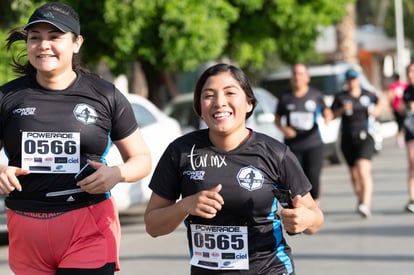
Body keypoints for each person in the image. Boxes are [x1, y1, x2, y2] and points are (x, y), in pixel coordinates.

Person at [0, 2, 152, 274]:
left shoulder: (105, 95)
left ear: (77, 43)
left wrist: (116, 174)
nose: (43, 45)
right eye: (35, 38)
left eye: (54, 37)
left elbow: (141, 159)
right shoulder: (7, 97)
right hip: (25, 225)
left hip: (88, 223)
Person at [144, 63, 324, 275]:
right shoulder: (181, 151)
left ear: (249, 103)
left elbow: (315, 218)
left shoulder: (275, 153)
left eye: (230, 93)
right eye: (209, 95)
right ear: (200, 107)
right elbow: (153, 225)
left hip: (269, 269)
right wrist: (186, 205)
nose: (219, 102)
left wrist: (305, 219)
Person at [275, 63, 333, 202]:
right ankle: (302, 211)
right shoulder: (285, 97)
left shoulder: (315, 95)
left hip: (313, 143)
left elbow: (327, 111)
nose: (297, 77)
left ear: (307, 77)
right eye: (294, 74)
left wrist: (328, 116)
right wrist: (285, 129)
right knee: (295, 181)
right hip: (293, 146)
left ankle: (314, 210)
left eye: (301, 74)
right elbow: (277, 120)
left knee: (313, 178)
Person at [330, 68, 382, 218]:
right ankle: (361, 199)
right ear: (346, 81)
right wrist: (342, 110)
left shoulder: (367, 94)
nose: (352, 82)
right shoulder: (341, 97)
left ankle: (366, 204)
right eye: (349, 80)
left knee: (363, 170)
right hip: (347, 138)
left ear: (358, 80)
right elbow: (332, 115)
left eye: (354, 79)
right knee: (354, 175)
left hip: (365, 136)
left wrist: (376, 110)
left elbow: (380, 103)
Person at [402, 63, 414, 213]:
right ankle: (412, 198)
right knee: (412, 163)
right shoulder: (406, 91)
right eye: (409, 72)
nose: (411, 75)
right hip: (411, 130)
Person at [387, 73, 408, 148]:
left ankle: (400, 139)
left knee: (400, 123)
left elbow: (390, 96)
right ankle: (401, 139)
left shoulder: (393, 86)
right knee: (402, 123)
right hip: (401, 107)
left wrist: (391, 105)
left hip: (397, 107)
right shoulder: (404, 85)